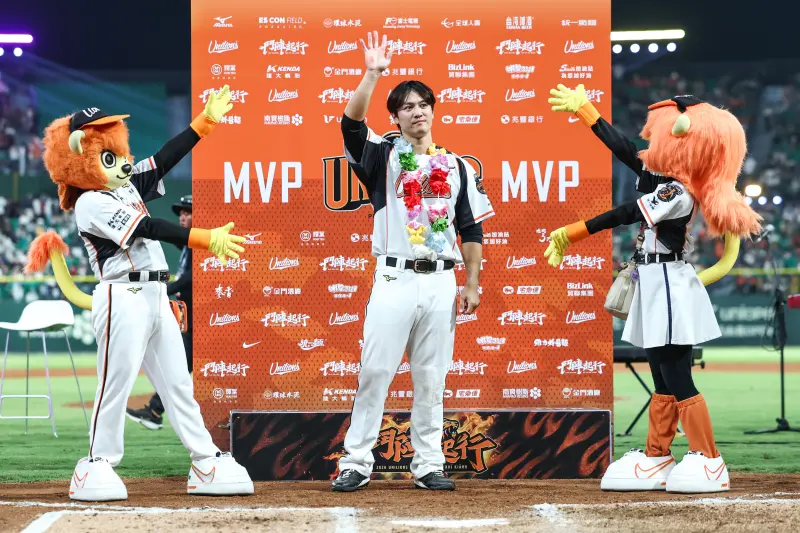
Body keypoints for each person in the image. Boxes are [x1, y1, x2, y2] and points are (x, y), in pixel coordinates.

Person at [25, 86, 255, 501]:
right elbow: (146, 228)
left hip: (155, 294)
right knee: (116, 382)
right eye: (108, 156)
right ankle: (96, 462)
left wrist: (202, 124)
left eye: (118, 152)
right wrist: (203, 238)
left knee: (178, 383)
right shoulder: (90, 202)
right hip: (122, 294)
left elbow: (164, 159)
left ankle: (205, 460)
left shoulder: (126, 185)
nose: (122, 162)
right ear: (80, 157)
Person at [544, 84, 761, 493]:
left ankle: (709, 458)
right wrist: (588, 113)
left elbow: (628, 212)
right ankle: (658, 455)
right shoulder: (664, 179)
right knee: (660, 374)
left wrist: (573, 232)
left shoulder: (678, 189)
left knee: (677, 375)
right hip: (654, 281)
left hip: (670, 284)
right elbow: (627, 151)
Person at [331, 31, 495, 492]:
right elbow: (349, 124)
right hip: (394, 278)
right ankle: (356, 462)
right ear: (396, 117)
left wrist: (472, 283)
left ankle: (428, 463)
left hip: (442, 282)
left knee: (431, 379)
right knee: (375, 373)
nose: (417, 111)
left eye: (423, 104)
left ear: (433, 111)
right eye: (407, 106)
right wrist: (372, 74)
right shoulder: (382, 157)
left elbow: (472, 230)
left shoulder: (458, 167)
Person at [126, 195, 194, 430]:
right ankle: (155, 410)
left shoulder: (200, 245)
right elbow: (173, 236)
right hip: (192, 317)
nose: (182, 217)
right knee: (180, 368)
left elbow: (191, 277)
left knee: (180, 368)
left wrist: (165, 289)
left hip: (204, 319)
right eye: (181, 213)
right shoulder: (189, 244)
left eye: (188, 212)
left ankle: (156, 411)